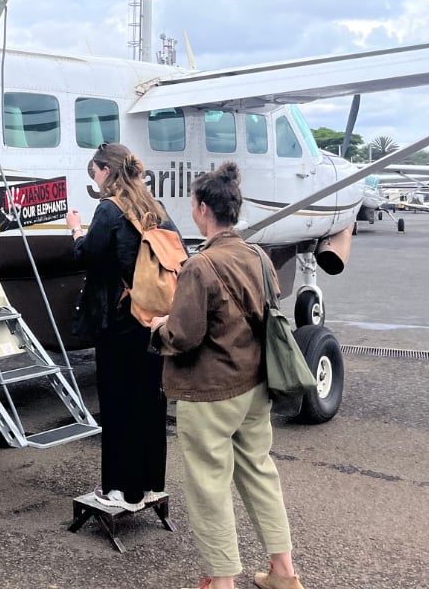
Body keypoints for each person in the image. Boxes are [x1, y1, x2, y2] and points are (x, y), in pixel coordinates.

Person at [149, 162, 306, 589]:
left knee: (209, 485)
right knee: (259, 471)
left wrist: (158, 327)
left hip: (210, 392)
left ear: (202, 208)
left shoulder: (200, 265)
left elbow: (183, 336)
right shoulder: (258, 256)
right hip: (256, 385)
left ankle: (221, 581)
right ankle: (283, 571)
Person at [65, 142, 176, 512]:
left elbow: (88, 255)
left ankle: (121, 491)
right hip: (153, 317)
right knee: (149, 400)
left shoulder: (108, 209)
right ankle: (149, 486)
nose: (93, 181)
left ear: (107, 171)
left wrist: (76, 230)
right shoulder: (154, 207)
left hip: (119, 320)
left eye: (94, 173)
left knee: (117, 403)